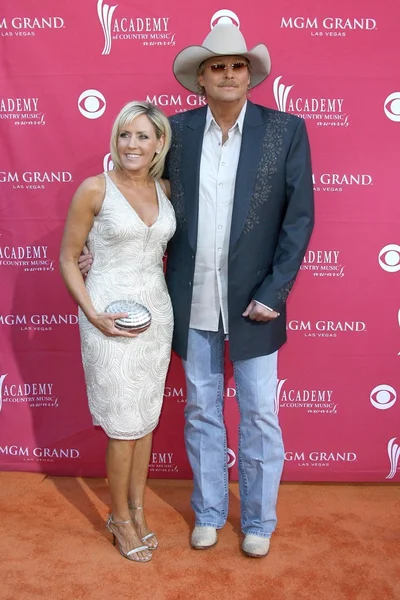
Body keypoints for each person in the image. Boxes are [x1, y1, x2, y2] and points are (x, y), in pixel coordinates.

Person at [80, 18, 314, 558]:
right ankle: (208, 512)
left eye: (237, 66)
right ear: (201, 79)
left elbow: (298, 221)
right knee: (201, 410)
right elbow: (136, 193)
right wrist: (99, 246)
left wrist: (275, 293)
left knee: (258, 412)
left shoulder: (285, 130)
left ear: (250, 76)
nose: (228, 74)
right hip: (189, 300)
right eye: (217, 67)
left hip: (258, 303)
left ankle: (258, 521)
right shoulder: (177, 133)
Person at [60, 101, 176, 563]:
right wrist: (91, 312)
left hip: (157, 315)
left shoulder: (165, 189)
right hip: (107, 317)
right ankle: (120, 518)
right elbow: (70, 257)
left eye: (143, 136)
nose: (132, 144)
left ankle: (138, 509)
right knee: (123, 427)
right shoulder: (94, 189)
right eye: (125, 135)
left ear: (159, 144)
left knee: (145, 422)